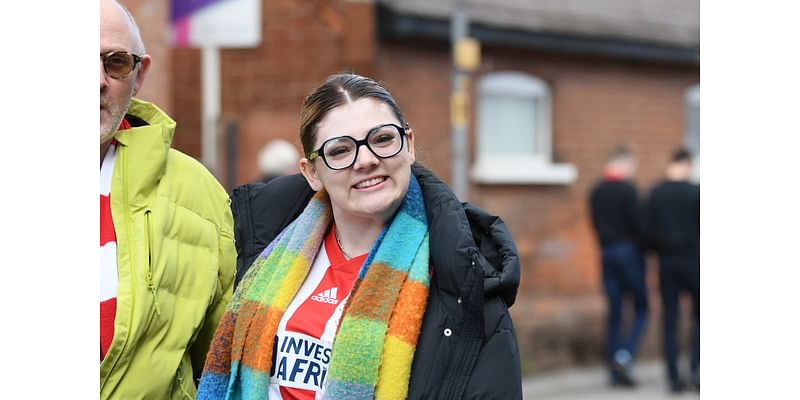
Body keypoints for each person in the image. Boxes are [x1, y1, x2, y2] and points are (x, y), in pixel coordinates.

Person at [197, 73, 522, 399]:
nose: (366, 160)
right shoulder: (264, 252)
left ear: (408, 145)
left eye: (382, 139)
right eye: (340, 151)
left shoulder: (465, 283)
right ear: (311, 173)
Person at [100, 0, 236, 398]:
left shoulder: (197, 190)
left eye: (116, 62)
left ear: (139, 75)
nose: (96, 80)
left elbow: (220, 361)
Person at [589, 145, 649, 388]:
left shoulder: (596, 191)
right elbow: (640, 226)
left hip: (606, 253)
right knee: (641, 307)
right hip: (629, 253)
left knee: (614, 312)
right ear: (623, 163)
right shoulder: (629, 190)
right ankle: (625, 355)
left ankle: (614, 371)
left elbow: (595, 223)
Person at [645, 148, 700, 393]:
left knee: (670, 319)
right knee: (701, 319)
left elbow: (645, 232)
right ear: (687, 165)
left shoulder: (655, 194)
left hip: (666, 262)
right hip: (694, 261)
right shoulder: (697, 193)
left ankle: (673, 378)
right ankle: (697, 370)